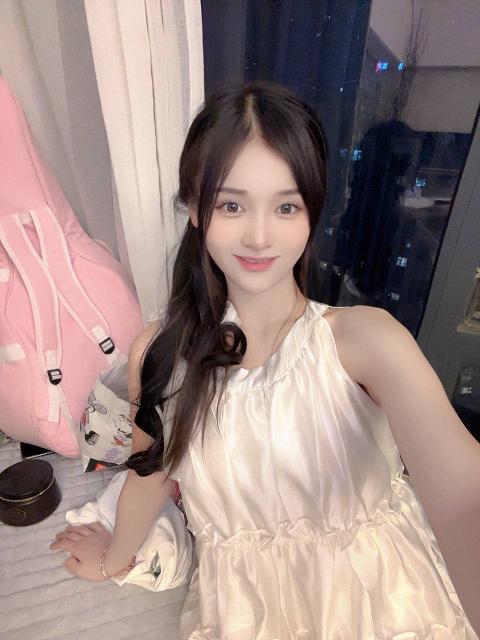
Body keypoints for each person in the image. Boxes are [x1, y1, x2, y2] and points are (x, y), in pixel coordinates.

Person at [50, 81, 480, 639]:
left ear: (312, 213)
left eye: (286, 206)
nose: (258, 236)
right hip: (244, 614)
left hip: (386, 604)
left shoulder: (364, 340)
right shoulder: (161, 354)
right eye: (232, 204)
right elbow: (150, 475)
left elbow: (464, 496)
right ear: (195, 209)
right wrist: (114, 560)